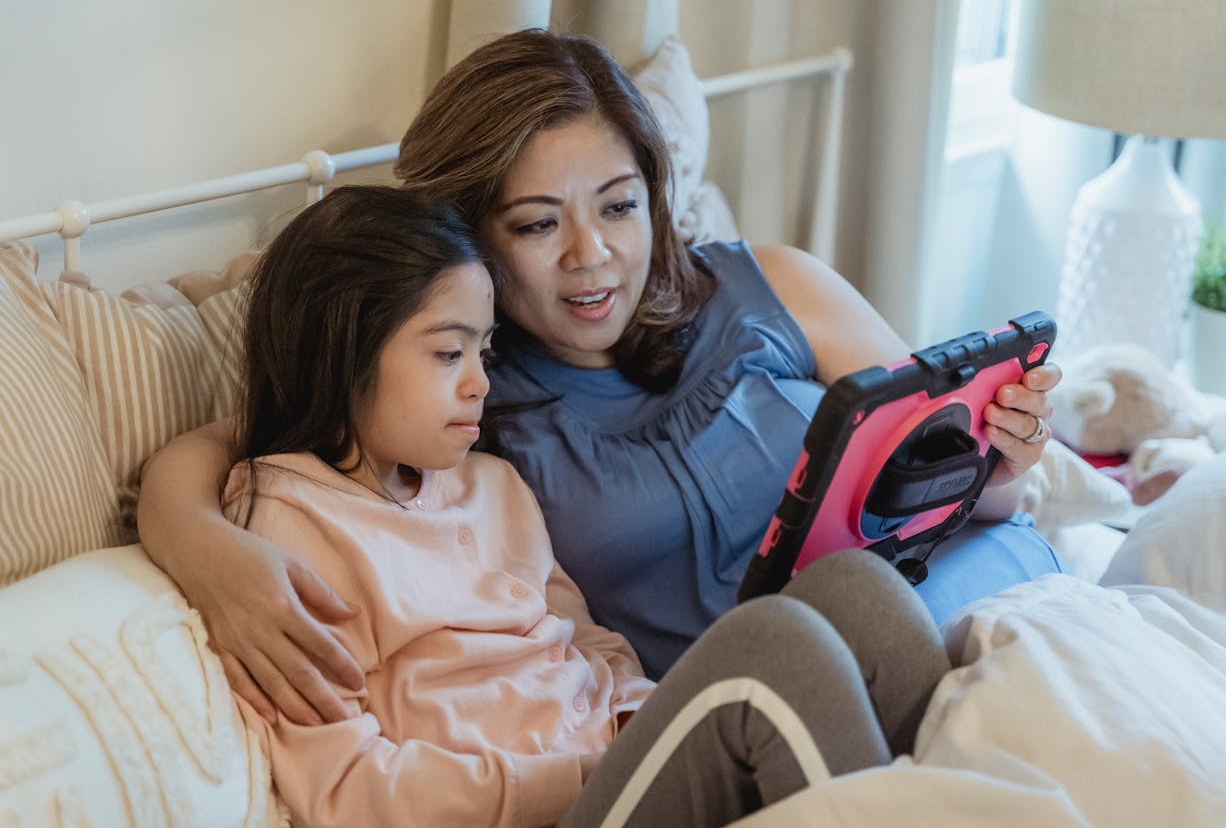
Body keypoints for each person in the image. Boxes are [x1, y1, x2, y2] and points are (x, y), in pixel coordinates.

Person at [137, 29, 1062, 728]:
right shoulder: (461, 395)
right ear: (472, 238)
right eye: (539, 224)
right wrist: (205, 551)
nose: (593, 255)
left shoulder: (771, 283)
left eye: (619, 207)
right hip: (773, 705)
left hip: (972, 598)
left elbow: (966, 492)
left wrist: (1004, 461)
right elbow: (232, 440)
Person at [222, 183, 952, 827]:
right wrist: (584, 773)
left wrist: (647, 724)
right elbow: (344, 792)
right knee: (772, 647)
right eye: (448, 354)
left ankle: (957, 802)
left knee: (857, 591)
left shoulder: (493, 486)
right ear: (341, 353)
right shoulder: (290, 524)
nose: (480, 383)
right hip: (545, 807)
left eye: (484, 352)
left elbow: (589, 644)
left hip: (619, 766)